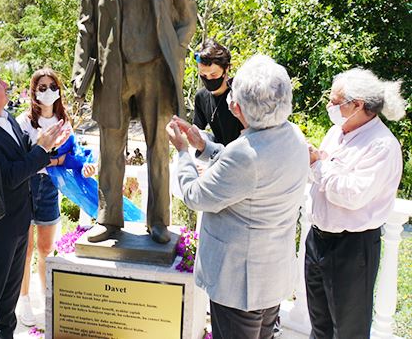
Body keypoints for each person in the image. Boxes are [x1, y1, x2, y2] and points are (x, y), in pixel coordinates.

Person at [71, 0, 197, 244]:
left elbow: (188, 17)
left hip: (154, 68)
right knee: (110, 144)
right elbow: (86, 24)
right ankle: (108, 219)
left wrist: (175, 52)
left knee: (159, 145)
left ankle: (158, 221)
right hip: (113, 70)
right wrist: (80, 72)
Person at [166, 55, 309, 339]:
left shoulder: (244, 154)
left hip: (240, 283)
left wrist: (182, 152)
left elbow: (195, 195)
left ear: (239, 107)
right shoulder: (293, 136)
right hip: (271, 274)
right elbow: (252, 171)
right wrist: (203, 145)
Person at [0, 64, 68, 339]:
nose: (5, 84)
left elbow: (24, 155)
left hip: (19, 221)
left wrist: (47, 145)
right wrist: (42, 149)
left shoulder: (5, 117)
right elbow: (8, 177)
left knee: (8, 298)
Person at [305, 68, 405, 339]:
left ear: (358, 105)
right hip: (318, 241)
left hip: (352, 248)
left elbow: (351, 195)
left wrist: (317, 163)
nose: (328, 106)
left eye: (335, 102)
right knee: (319, 325)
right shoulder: (336, 132)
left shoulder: (381, 145)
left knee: (348, 332)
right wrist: (319, 164)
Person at [14, 69, 96, 326]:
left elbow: (71, 157)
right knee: (25, 250)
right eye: (41, 86)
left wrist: (79, 164)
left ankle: (44, 295)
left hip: (50, 187)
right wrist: (53, 158)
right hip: (26, 187)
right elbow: (22, 158)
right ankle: (24, 300)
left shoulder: (64, 123)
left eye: (51, 86)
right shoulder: (24, 122)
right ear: (33, 91)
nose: (47, 91)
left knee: (46, 249)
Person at [193, 40, 244, 146]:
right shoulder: (201, 97)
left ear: (226, 69)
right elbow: (197, 132)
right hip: (220, 156)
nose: (208, 79)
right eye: (203, 75)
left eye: (214, 74)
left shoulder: (241, 93)